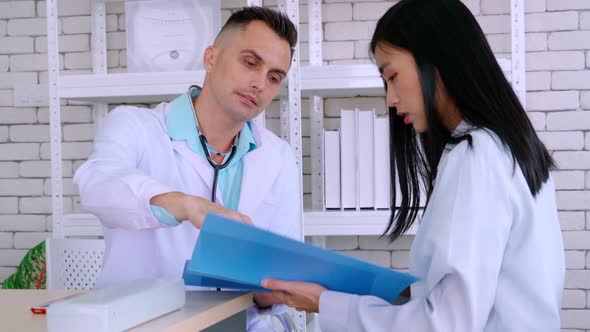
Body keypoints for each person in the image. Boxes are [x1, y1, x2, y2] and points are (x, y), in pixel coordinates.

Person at [261, 0, 565, 330]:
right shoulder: (508, 146)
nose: (390, 99)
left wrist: (323, 302)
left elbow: (446, 323)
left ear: (437, 60)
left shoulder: (476, 154)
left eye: (392, 76)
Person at [74, 6, 299, 331]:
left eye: (274, 77)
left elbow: (280, 273)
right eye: (250, 63)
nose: (260, 83)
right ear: (211, 58)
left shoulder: (277, 157)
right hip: (142, 323)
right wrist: (188, 206)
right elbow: (96, 184)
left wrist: (273, 291)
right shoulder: (136, 125)